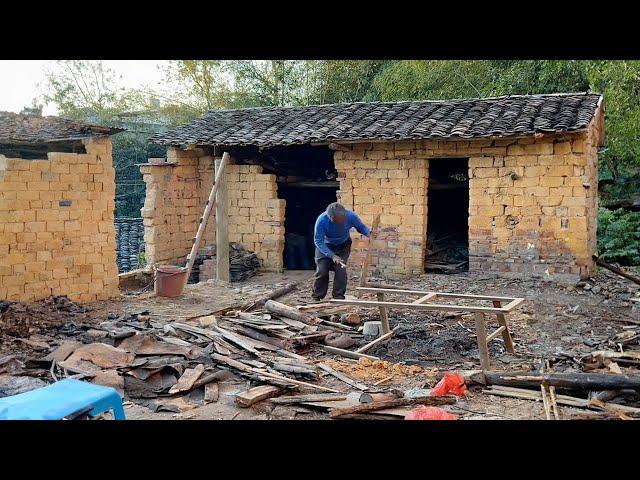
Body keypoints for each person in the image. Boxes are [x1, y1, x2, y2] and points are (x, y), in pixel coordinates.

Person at [312, 202, 371, 300]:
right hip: (325, 246)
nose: (340, 222)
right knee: (322, 271)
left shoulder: (351, 216)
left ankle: (338, 296)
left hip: (343, 246)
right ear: (330, 218)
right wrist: (332, 256)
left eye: (342, 219)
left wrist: (369, 234)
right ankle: (317, 297)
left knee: (340, 270)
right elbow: (318, 241)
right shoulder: (321, 220)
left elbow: (361, 227)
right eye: (336, 220)